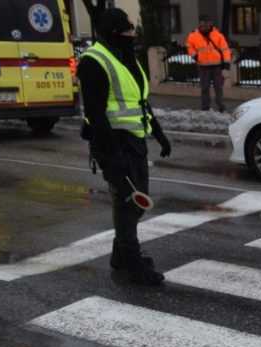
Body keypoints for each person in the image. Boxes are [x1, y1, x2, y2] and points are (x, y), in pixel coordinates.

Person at [78, 8, 172, 286]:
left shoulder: (127, 57)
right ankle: (131, 262)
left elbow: (140, 101)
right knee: (128, 201)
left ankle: (121, 254)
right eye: (128, 29)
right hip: (113, 141)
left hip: (134, 140)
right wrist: (111, 157)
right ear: (114, 32)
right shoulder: (94, 62)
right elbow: (96, 115)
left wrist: (159, 133)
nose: (133, 34)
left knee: (137, 200)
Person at [187, 17, 233, 113]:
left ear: (210, 24)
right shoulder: (193, 36)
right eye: (202, 25)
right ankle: (205, 108)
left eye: (207, 25)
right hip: (203, 67)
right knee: (204, 88)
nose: (205, 27)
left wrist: (226, 64)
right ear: (199, 25)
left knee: (218, 88)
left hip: (217, 66)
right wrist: (195, 56)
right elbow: (189, 47)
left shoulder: (218, 35)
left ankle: (221, 107)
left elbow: (225, 50)